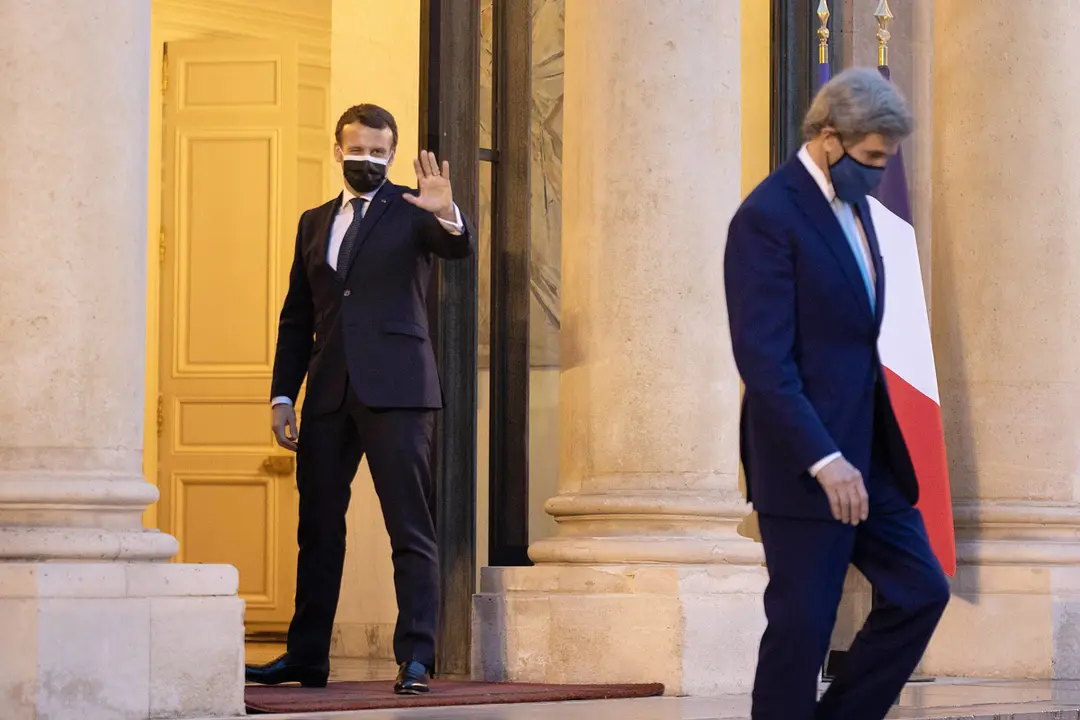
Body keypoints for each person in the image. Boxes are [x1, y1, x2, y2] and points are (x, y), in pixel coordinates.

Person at [724, 68, 951, 720]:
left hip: (869, 456)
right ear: (829, 139)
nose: (879, 175)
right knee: (802, 629)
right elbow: (765, 362)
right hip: (805, 463)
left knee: (920, 590)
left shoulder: (856, 210)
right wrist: (824, 460)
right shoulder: (767, 217)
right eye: (872, 159)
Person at [245, 104, 474, 695]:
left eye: (378, 152)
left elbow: (456, 249)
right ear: (337, 149)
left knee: (409, 527)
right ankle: (306, 657)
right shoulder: (312, 222)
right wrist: (282, 395)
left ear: (391, 155)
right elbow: (298, 317)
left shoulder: (415, 208)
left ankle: (416, 657)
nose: (367, 160)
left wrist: (446, 213)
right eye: (357, 149)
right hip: (327, 394)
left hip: (399, 391)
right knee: (318, 528)